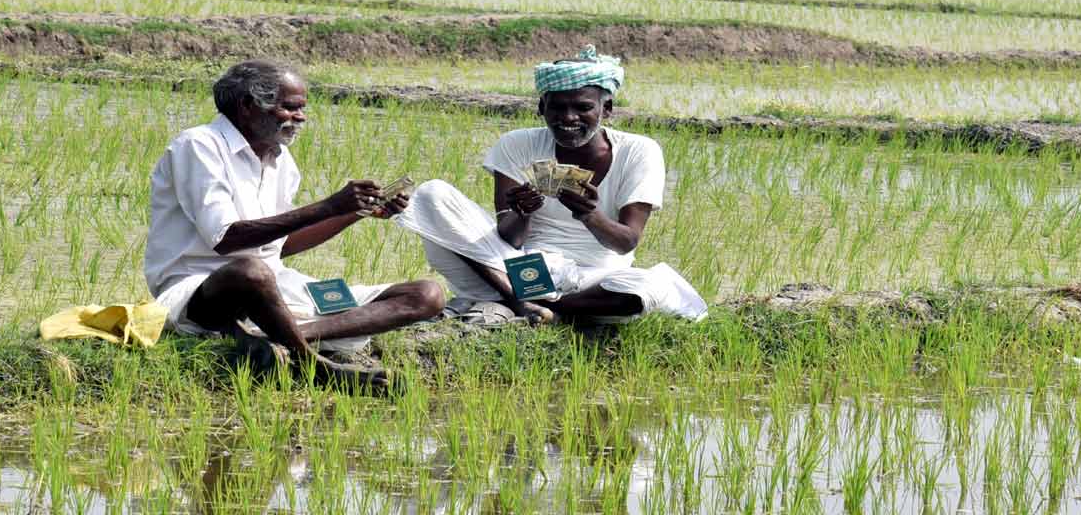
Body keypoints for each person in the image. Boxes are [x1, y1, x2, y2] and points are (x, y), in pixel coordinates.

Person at [145, 60, 445, 389]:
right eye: (290, 108)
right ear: (247, 106)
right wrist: (329, 205)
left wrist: (354, 212)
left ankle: (283, 334)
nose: (300, 117)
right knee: (251, 270)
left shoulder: (281, 160)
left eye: (302, 108)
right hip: (201, 291)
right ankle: (314, 365)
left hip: (272, 289)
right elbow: (226, 239)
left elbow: (281, 245)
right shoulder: (199, 146)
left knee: (426, 295)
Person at [395, 45, 707, 325]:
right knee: (432, 194)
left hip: (597, 276)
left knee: (646, 290)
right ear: (541, 108)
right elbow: (510, 238)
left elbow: (626, 242)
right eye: (557, 107)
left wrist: (590, 216)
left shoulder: (640, 151)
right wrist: (522, 214)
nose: (568, 117)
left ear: (606, 109)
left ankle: (540, 306)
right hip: (516, 269)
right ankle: (522, 301)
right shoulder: (516, 144)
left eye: (583, 107)